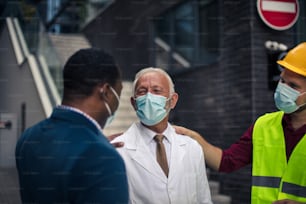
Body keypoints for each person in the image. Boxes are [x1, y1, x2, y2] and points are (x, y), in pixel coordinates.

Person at [175, 42, 306, 204]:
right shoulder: (264, 125)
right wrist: (193, 137)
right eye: (282, 81)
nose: (283, 88)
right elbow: (227, 162)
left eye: (293, 86)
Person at [15, 48, 129, 204]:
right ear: (106, 91)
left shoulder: (28, 138)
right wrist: (100, 152)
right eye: (119, 92)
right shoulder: (104, 160)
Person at [112, 67, 212, 204]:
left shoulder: (192, 147)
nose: (148, 97)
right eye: (142, 91)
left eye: (156, 91)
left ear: (173, 100)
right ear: (134, 103)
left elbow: (204, 199)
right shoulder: (118, 150)